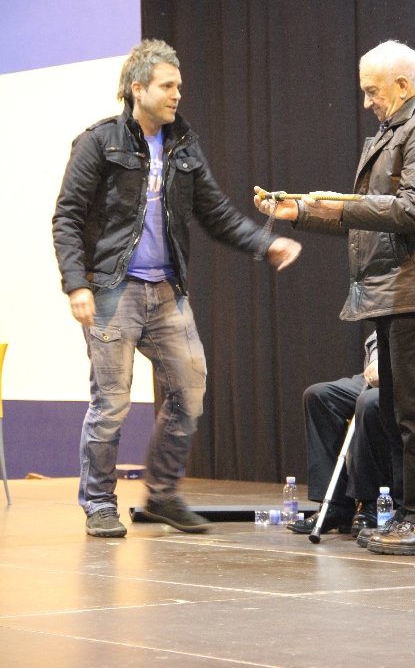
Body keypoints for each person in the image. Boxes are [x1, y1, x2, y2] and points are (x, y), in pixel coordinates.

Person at [53, 39, 301, 538]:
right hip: (111, 290)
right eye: (167, 86)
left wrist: (265, 243)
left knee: (190, 392)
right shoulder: (99, 142)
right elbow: (68, 217)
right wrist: (76, 284)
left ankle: (163, 495)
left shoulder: (183, 146)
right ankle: (99, 503)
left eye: (178, 86)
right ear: (137, 89)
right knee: (111, 404)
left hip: (166, 291)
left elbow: (216, 212)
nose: (177, 95)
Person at [255, 40, 415, 555]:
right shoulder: (400, 130)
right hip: (397, 291)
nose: (367, 101)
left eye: (373, 91)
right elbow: (369, 218)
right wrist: (301, 212)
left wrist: (339, 204)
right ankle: (406, 516)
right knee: (396, 413)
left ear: (402, 85)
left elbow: (414, 210)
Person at [287, 197, 415, 545]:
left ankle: (372, 505)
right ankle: (334, 505)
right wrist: (378, 360)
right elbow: (383, 328)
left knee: (375, 401)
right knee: (321, 396)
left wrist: (408, 369)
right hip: (398, 368)